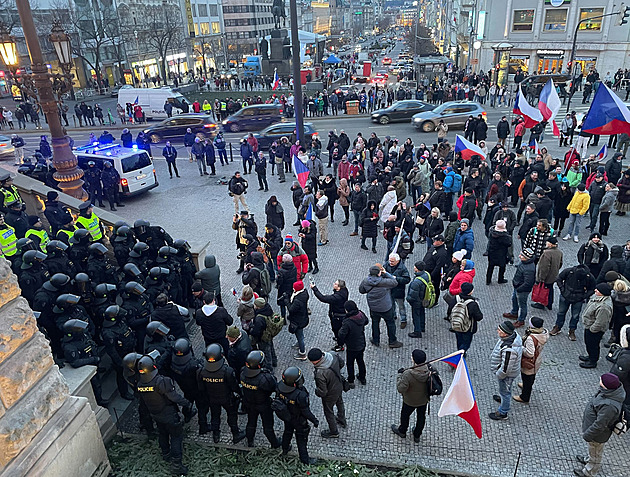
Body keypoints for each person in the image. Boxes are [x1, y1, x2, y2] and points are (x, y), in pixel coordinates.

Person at [136, 355, 193, 475]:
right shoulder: (161, 381)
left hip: (155, 414)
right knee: (176, 437)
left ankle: (166, 453)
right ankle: (176, 464)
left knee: (162, 433)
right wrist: (187, 403)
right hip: (169, 415)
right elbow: (174, 397)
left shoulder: (140, 384)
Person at [574, 373, 626, 477]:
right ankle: (589, 460)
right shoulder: (609, 392)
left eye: (601, 380)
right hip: (594, 432)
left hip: (597, 436)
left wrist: (588, 434)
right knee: (593, 450)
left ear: (606, 386)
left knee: (596, 452)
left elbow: (600, 425)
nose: (599, 381)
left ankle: (589, 471)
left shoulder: (609, 406)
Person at [196, 344, 246, 444]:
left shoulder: (201, 371)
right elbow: (234, 387)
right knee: (232, 416)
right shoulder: (227, 371)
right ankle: (236, 434)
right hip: (227, 399)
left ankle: (216, 435)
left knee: (215, 416)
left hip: (212, 399)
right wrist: (241, 395)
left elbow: (201, 388)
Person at [274, 366, 319, 465]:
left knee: (287, 432)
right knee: (301, 441)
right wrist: (315, 420)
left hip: (287, 417)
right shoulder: (300, 395)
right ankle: (305, 461)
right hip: (299, 421)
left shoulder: (280, 387)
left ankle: (285, 449)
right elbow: (306, 412)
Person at [239, 350, 280, 448]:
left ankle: (250, 441)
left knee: (251, 422)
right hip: (264, 405)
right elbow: (274, 387)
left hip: (249, 403)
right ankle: (274, 443)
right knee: (268, 426)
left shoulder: (243, 372)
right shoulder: (264, 378)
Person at [359, 264, 403, 348]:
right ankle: (392, 341)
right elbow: (395, 282)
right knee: (390, 323)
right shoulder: (384, 282)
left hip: (373, 307)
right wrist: (386, 273)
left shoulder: (366, 281)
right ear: (379, 273)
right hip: (386, 307)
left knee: (375, 323)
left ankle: (376, 340)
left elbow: (361, 290)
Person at [391, 349, 429, 443]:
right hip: (423, 399)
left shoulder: (408, 374)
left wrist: (400, 375)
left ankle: (402, 431)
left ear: (414, 359)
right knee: (421, 417)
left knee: (405, 415)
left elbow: (401, 388)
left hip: (410, 400)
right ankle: (417, 435)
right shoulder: (429, 370)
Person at [307, 347, 346, 438]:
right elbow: (342, 363)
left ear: (315, 361)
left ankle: (334, 431)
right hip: (339, 385)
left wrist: (316, 391)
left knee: (328, 411)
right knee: (339, 402)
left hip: (330, 394)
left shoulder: (320, 373)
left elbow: (323, 392)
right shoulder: (332, 354)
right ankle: (342, 419)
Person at [552, 264, 597, 341]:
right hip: (566, 295)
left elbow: (592, 288)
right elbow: (559, 278)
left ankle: (572, 330)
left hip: (578, 298)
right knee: (561, 313)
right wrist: (562, 290)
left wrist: (584, 296)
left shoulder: (589, 277)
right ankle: (557, 327)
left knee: (575, 316)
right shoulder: (569, 271)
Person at [489, 320, 523, 420]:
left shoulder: (509, 349)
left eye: (499, 330)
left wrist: (499, 374)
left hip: (507, 375)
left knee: (505, 391)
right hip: (509, 372)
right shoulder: (513, 336)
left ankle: (503, 412)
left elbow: (506, 369)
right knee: (505, 390)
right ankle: (503, 399)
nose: (497, 331)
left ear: (505, 333)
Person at [513, 316, 548, 404]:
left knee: (527, 377)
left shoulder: (531, 338)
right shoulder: (543, 333)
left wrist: (521, 347)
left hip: (530, 362)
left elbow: (530, 353)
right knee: (531, 376)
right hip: (537, 359)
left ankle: (524, 397)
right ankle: (526, 385)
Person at [579, 283, 614, 368]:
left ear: (602, 293)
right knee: (589, 343)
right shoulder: (597, 297)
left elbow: (601, 322)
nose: (595, 290)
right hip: (590, 325)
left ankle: (593, 361)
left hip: (595, 329)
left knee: (593, 344)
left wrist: (592, 329)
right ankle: (590, 356)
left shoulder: (604, 307)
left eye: (597, 290)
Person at [310, 278, 349, 351]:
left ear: (339, 287)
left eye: (335, 284)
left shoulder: (336, 297)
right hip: (340, 314)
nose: (333, 284)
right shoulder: (344, 291)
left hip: (337, 316)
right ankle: (340, 339)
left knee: (336, 329)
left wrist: (314, 288)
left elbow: (323, 298)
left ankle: (340, 345)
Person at [503, 248, 536, 328]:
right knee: (514, 299)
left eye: (521, 255)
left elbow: (528, 283)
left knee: (522, 305)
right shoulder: (524, 262)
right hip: (518, 286)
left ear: (527, 257)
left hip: (522, 290)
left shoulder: (529, 269)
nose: (519, 256)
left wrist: (519, 288)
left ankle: (521, 320)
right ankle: (514, 313)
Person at [337, 300, 367, 386]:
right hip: (361, 343)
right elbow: (366, 321)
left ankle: (351, 380)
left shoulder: (347, 322)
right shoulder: (361, 314)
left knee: (350, 363)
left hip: (352, 345)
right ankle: (362, 377)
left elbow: (341, 334)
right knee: (360, 361)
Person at [532, 237, 563, 310]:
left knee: (544, 290)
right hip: (553, 275)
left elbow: (544, 268)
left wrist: (541, 278)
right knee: (550, 289)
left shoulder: (546, 253)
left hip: (546, 276)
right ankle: (549, 303)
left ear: (550, 244)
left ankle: (542, 303)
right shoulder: (559, 252)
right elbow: (560, 263)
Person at [406, 261, 430, 339]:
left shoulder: (416, 282)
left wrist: (408, 299)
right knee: (422, 312)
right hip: (423, 298)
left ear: (417, 268)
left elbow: (413, 295)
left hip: (417, 301)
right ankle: (422, 326)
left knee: (416, 315)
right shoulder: (426, 274)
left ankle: (417, 331)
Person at [286, 280, 309, 360]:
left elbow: (291, 309)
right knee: (300, 334)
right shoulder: (305, 293)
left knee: (299, 336)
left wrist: (287, 301)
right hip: (303, 318)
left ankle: (302, 353)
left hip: (297, 320)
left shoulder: (297, 300)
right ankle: (299, 344)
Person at [486, 219, 511, 285]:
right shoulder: (505, 236)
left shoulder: (491, 232)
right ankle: (500, 279)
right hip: (501, 253)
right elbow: (509, 244)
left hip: (492, 252)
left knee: (490, 266)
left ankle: (488, 280)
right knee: (502, 266)